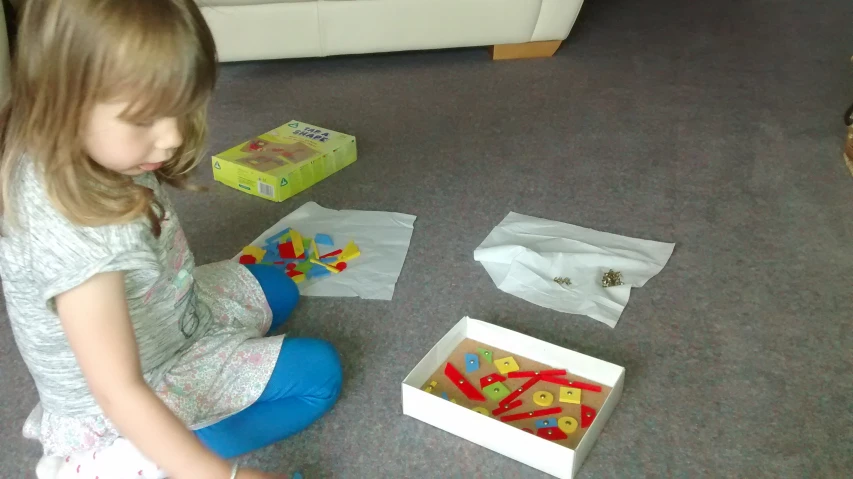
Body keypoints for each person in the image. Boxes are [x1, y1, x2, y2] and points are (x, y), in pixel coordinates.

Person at [0, 1, 342, 478]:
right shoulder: (81, 236)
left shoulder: (56, 132)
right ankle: (158, 448)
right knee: (320, 375)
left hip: (169, 312)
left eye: (181, 110)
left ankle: (177, 426)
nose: (172, 137)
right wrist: (221, 476)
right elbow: (117, 389)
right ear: (65, 99)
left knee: (279, 285)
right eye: (145, 120)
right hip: (140, 386)